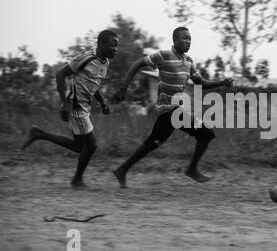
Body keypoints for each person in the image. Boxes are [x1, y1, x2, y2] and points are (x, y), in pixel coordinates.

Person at [112, 26, 232, 188]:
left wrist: (222, 83)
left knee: (153, 143)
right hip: (170, 110)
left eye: (190, 38)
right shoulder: (164, 56)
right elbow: (138, 64)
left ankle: (122, 170)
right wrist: (123, 89)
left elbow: (201, 84)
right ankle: (191, 169)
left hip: (170, 112)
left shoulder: (188, 62)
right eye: (184, 38)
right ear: (175, 40)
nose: (188, 41)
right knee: (206, 132)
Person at [22, 30, 119, 189]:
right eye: (113, 45)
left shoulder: (105, 63)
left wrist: (102, 103)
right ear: (101, 44)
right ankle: (77, 180)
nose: (116, 49)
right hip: (76, 104)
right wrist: (64, 103)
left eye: (117, 46)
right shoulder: (87, 58)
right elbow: (60, 74)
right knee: (91, 145)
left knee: (79, 146)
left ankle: (39, 133)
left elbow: (93, 86)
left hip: (85, 105)